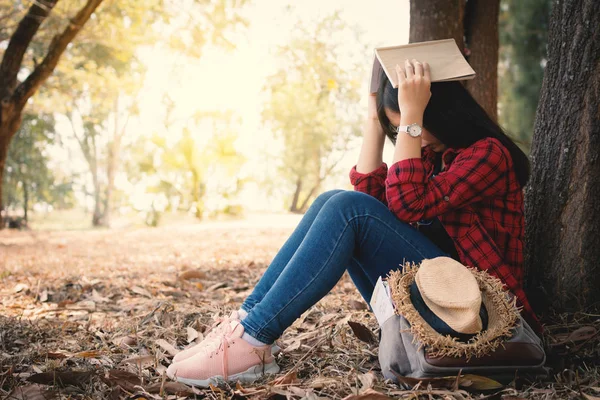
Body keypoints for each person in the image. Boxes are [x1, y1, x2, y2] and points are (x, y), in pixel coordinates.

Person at [166, 58, 541, 387]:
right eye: (400, 131)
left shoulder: (488, 155)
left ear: (440, 114)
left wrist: (410, 116)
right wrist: (374, 120)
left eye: (411, 128)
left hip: (485, 314)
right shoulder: (435, 154)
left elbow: (404, 204)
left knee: (348, 209)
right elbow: (375, 199)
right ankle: (245, 326)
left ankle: (252, 340)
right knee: (334, 201)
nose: (411, 138)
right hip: (441, 295)